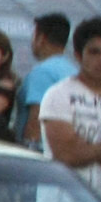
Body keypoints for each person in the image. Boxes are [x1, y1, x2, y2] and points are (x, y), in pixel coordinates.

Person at [38, 16, 101, 202]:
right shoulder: (59, 94)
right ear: (78, 55)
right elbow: (67, 155)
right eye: (94, 52)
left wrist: (86, 149)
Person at [15, 12, 74, 146]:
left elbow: (37, 117)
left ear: (41, 38)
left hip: (42, 152)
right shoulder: (73, 71)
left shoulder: (43, 72)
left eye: (33, 36)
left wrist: (29, 148)